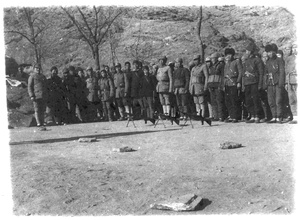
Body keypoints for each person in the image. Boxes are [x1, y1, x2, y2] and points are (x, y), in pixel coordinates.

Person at [241, 43, 264, 123]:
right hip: (247, 83)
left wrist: (260, 84)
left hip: (255, 82)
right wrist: (243, 84)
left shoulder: (257, 60)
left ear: (251, 51)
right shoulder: (246, 61)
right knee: (248, 100)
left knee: (255, 99)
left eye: (247, 51)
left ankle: (258, 115)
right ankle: (252, 115)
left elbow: (261, 73)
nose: (246, 52)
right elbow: (243, 74)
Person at [263, 44, 286, 123]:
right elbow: (265, 74)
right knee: (271, 101)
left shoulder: (279, 60)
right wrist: (265, 84)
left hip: (277, 84)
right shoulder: (268, 62)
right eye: (268, 52)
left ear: (274, 51)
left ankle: (279, 117)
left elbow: (282, 72)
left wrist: (281, 83)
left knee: (278, 101)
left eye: (271, 52)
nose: (269, 54)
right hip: (269, 84)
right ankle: (274, 116)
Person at [223, 48, 243, 123]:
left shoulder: (236, 62)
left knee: (234, 100)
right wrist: (224, 84)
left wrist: (238, 82)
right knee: (228, 100)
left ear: (232, 55)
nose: (228, 56)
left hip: (234, 82)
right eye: (227, 55)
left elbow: (240, 72)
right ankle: (231, 115)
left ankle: (235, 116)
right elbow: (225, 75)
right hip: (227, 83)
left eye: (230, 54)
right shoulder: (226, 64)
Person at [207, 52, 226, 121]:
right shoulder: (211, 67)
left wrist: (221, 85)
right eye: (212, 58)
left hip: (218, 84)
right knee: (213, 101)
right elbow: (210, 76)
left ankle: (221, 116)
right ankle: (216, 116)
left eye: (214, 58)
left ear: (217, 58)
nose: (212, 60)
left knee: (219, 101)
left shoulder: (220, 66)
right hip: (212, 85)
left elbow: (223, 76)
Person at [27, 63, 48, 127]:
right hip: (36, 96)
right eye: (36, 68)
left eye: (39, 68)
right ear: (34, 69)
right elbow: (29, 87)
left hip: (43, 95)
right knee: (37, 109)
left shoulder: (43, 76)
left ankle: (43, 121)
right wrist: (31, 95)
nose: (38, 69)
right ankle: (38, 122)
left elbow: (46, 86)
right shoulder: (32, 76)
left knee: (43, 109)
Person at [284, 44, 297, 121]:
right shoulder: (289, 59)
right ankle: (295, 117)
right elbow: (286, 71)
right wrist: (286, 82)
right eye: (293, 48)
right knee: (291, 99)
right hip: (290, 81)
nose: (294, 50)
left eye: (296, 48)